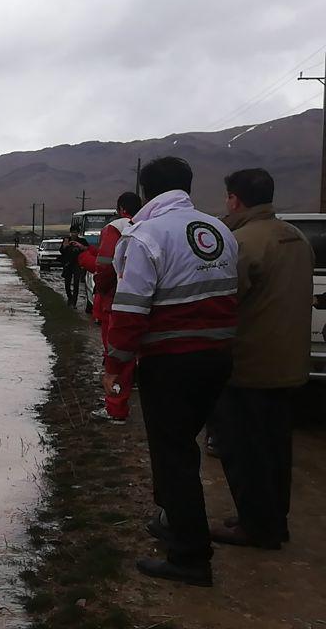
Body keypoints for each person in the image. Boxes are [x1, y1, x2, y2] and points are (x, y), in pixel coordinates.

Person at [103, 156, 238, 587]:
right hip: (218, 358)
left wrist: (115, 365)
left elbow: (129, 310)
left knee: (173, 455)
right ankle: (175, 523)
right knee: (185, 446)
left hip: (171, 361)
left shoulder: (147, 236)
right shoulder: (219, 230)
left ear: (145, 192)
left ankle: (189, 556)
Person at [209, 168, 312, 550]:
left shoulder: (242, 242)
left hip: (249, 363)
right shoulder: (296, 237)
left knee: (243, 449)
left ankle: (255, 527)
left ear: (235, 199)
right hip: (289, 363)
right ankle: (272, 519)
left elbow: (224, 300)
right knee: (276, 447)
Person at [80, 191, 143, 424]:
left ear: (120, 209)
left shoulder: (114, 229)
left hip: (117, 302)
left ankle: (115, 409)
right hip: (148, 301)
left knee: (116, 354)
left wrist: (100, 287)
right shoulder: (149, 225)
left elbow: (105, 267)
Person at [60, 228, 89, 307]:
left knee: (76, 284)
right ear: (70, 233)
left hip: (77, 264)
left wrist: (80, 246)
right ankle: (70, 297)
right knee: (67, 284)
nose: (73, 234)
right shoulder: (66, 240)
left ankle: (74, 302)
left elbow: (88, 250)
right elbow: (61, 251)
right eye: (72, 232)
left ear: (78, 233)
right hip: (68, 264)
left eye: (75, 232)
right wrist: (64, 246)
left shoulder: (82, 241)